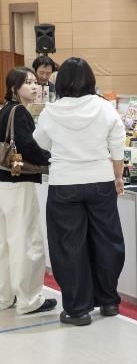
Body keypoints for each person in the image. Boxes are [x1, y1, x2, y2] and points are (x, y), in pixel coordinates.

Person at [33, 57, 126, 327]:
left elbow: (41, 142)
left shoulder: (52, 111)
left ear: (61, 81)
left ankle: (77, 309)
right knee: (107, 241)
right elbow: (117, 146)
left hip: (64, 182)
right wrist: (118, 176)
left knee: (68, 246)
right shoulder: (104, 107)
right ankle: (108, 300)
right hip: (101, 180)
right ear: (91, 80)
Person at [0, 67, 57, 316]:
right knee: (26, 240)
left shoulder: (4, 110)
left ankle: (5, 296)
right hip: (19, 182)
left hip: (3, 182)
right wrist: (51, 157)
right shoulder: (20, 111)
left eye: (35, 82)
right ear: (14, 87)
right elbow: (28, 146)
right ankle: (29, 299)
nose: (34, 87)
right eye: (28, 82)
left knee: (5, 243)